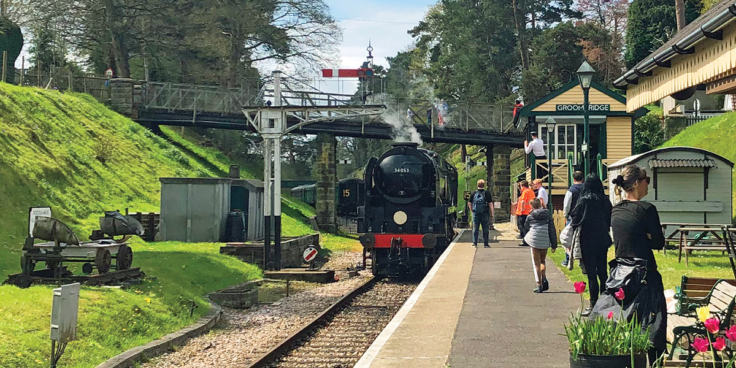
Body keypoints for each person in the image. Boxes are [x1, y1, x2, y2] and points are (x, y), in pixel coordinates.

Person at [608, 165, 666, 365]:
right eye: (646, 179)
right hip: (645, 274)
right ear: (636, 183)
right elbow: (659, 242)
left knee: (627, 324)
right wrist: (647, 237)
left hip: (621, 275)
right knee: (654, 325)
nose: (648, 183)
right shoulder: (647, 209)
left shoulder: (616, 210)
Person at [569, 173, 612, 316]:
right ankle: (605, 303)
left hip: (587, 240)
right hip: (602, 239)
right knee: (603, 272)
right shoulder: (605, 201)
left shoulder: (583, 201)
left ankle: (593, 304)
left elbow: (575, 219)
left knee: (591, 275)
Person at [524, 198, 557, 293]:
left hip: (535, 240)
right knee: (543, 261)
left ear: (532, 206)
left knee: (536, 263)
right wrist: (554, 245)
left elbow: (526, 226)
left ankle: (539, 284)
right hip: (545, 239)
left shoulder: (531, 216)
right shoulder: (547, 215)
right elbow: (552, 230)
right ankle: (544, 277)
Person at [561, 171, 584, 267]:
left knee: (568, 239)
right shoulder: (586, 189)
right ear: (582, 179)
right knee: (581, 239)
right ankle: (581, 260)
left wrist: (566, 215)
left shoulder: (571, 190)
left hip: (573, 218)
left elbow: (567, 204)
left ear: (573, 179)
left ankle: (567, 259)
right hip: (583, 217)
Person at [468, 179, 494, 248]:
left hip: (476, 213)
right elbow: (490, 204)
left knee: (475, 228)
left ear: (477, 185)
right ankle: (486, 244)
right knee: (485, 228)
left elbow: (469, 203)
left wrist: (472, 211)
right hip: (485, 213)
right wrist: (492, 213)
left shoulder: (473, 193)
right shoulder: (487, 193)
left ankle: (474, 243)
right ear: (484, 185)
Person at [515, 180, 535, 246]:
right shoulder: (531, 192)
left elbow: (523, 201)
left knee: (521, 225)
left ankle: (525, 240)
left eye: (520, 186)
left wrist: (522, 209)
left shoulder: (525, 192)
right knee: (527, 226)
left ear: (523, 186)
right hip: (529, 212)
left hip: (523, 212)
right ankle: (526, 239)